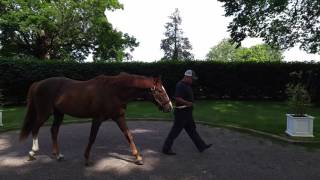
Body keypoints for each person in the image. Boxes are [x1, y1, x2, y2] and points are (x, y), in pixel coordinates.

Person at [162, 69, 212, 155]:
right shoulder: (180, 85)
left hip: (187, 113)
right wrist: (188, 103)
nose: (192, 80)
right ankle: (166, 149)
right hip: (181, 113)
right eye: (192, 78)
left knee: (192, 130)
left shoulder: (187, 85)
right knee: (175, 132)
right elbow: (177, 98)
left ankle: (201, 146)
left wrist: (190, 103)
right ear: (187, 77)